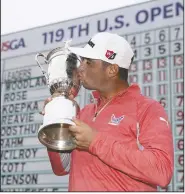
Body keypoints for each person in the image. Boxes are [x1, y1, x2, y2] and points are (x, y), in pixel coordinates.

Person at [43, 32, 174, 191]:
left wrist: (96, 142)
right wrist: (55, 123)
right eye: (82, 61)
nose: (80, 68)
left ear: (112, 70)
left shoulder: (147, 108)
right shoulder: (83, 112)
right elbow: (62, 168)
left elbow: (162, 171)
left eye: (89, 62)